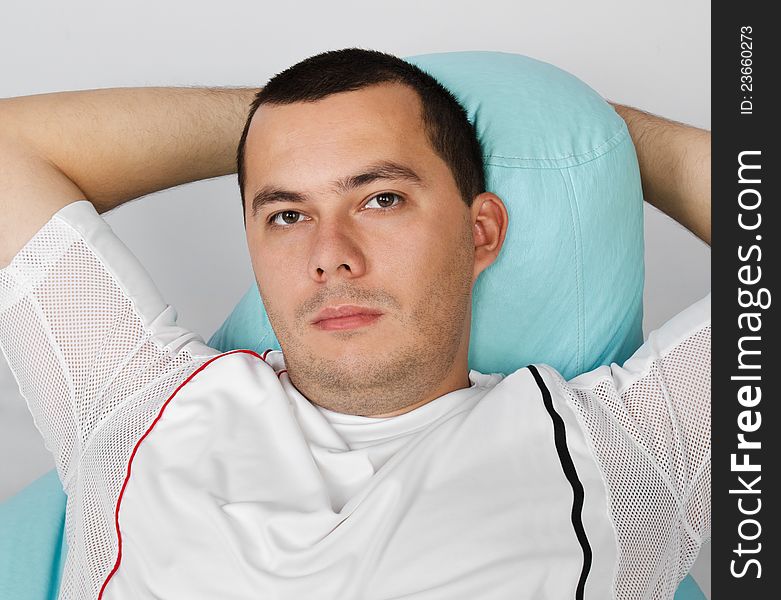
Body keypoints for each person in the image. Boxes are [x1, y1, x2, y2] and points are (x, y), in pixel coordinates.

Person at [0, 48, 710, 599]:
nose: (329, 257)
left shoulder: (627, 448)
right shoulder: (132, 400)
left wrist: (600, 133)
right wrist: (279, 125)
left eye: (380, 200)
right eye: (287, 215)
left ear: (481, 234)